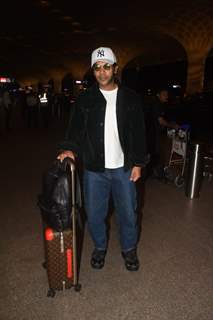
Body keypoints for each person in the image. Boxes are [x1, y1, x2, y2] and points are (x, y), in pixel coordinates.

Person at [57, 47, 147, 271]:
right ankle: (99, 247)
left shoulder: (130, 98)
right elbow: (75, 129)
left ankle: (129, 249)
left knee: (128, 212)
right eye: (97, 68)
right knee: (95, 214)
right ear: (93, 71)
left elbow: (139, 133)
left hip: (124, 168)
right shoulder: (85, 99)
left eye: (107, 66)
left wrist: (138, 163)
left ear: (115, 69)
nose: (102, 72)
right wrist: (69, 149)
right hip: (95, 169)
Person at [144, 88, 180, 179]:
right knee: (155, 154)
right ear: (158, 95)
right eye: (164, 94)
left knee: (153, 154)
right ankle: (149, 174)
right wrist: (172, 125)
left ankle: (153, 173)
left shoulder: (157, 103)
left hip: (150, 132)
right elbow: (160, 121)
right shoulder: (157, 104)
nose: (167, 96)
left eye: (167, 94)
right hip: (152, 133)